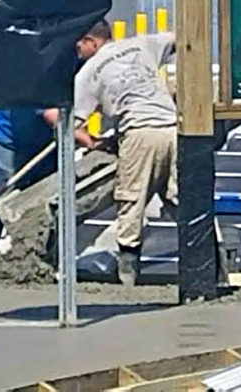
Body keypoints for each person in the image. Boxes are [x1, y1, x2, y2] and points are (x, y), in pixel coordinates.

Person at [71, 19, 177, 285]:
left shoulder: (88, 72)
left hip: (138, 133)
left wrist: (92, 142)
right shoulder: (141, 44)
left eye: (78, 46)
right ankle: (210, 263)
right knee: (183, 198)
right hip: (174, 127)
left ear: (91, 42)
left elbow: (72, 124)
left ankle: (128, 271)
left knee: (131, 199)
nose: (76, 53)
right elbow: (178, 38)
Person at [0, 108, 58, 245]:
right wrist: (88, 140)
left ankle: (43, 248)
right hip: (9, 143)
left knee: (47, 197)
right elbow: (53, 115)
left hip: (44, 140)